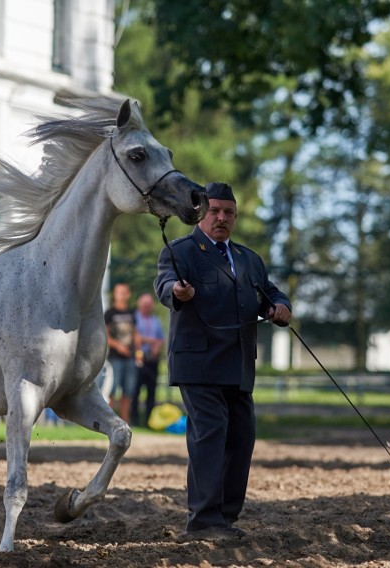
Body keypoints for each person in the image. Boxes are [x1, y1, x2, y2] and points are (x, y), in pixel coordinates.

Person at [154, 181, 292, 538]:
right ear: (202, 213)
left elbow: (269, 292)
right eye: (214, 211)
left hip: (239, 364)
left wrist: (280, 307)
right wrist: (177, 292)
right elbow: (164, 284)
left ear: (235, 217)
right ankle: (203, 520)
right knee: (211, 433)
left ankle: (224, 517)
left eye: (228, 212)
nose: (221, 218)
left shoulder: (249, 259)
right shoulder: (182, 250)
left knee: (242, 436)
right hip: (197, 363)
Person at [100, 282, 140, 421]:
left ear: (128, 294)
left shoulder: (132, 313)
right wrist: (118, 345)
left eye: (125, 292)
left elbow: (135, 333)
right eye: (119, 292)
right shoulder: (110, 313)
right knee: (112, 390)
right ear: (115, 295)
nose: (122, 295)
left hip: (130, 358)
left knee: (128, 392)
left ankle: (125, 422)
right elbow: (105, 336)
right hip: (115, 358)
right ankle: (110, 421)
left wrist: (139, 349)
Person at [131, 293, 165, 427]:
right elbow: (136, 337)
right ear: (139, 305)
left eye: (149, 305)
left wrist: (157, 346)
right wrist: (152, 341)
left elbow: (161, 339)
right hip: (139, 359)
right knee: (136, 390)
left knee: (152, 392)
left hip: (153, 360)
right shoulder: (134, 318)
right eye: (145, 305)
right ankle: (134, 420)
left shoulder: (156, 320)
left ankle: (149, 421)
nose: (147, 307)